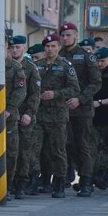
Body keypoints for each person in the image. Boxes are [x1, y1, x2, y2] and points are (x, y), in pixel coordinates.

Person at [34, 34, 80, 198]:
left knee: (58, 149)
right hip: (39, 114)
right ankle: (44, 180)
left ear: (59, 47)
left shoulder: (65, 65)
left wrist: (56, 94)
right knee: (39, 149)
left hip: (58, 115)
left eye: (53, 46)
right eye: (47, 46)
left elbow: (74, 89)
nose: (50, 49)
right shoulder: (37, 65)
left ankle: (59, 183)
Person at [59, 22, 102, 196]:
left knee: (83, 145)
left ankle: (86, 181)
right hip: (62, 109)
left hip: (82, 109)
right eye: (63, 35)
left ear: (76, 35)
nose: (65, 38)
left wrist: (80, 99)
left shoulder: (86, 56)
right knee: (67, 145)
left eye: (68, 34)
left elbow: (96, 82)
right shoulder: (58, 55)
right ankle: (69, 177)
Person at [9, 35, 41, 199]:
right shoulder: (6, 66)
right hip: (9, 115)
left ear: (24, 48)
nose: (15, 50)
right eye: (12, 47)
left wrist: (29, 113)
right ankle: (9, 183)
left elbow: (35, 94)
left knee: (24, 151)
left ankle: (22, 183)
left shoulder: (31, 68)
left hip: (25, 116)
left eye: (18, 47)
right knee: (10, 151)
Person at [4, 38, 27, 200]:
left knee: (11, 153)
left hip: (9, 117)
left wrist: (10, 109)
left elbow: (21, 91)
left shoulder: (16, 67)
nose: (12, 49)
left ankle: (9, 184)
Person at [91, 47, 108, 196]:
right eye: (97, 61)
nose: (99, 64)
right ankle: (93, 180)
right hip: (93, 119)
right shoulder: (92, 75)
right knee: (93, 151)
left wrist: (100, 102)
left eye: (102, 61)